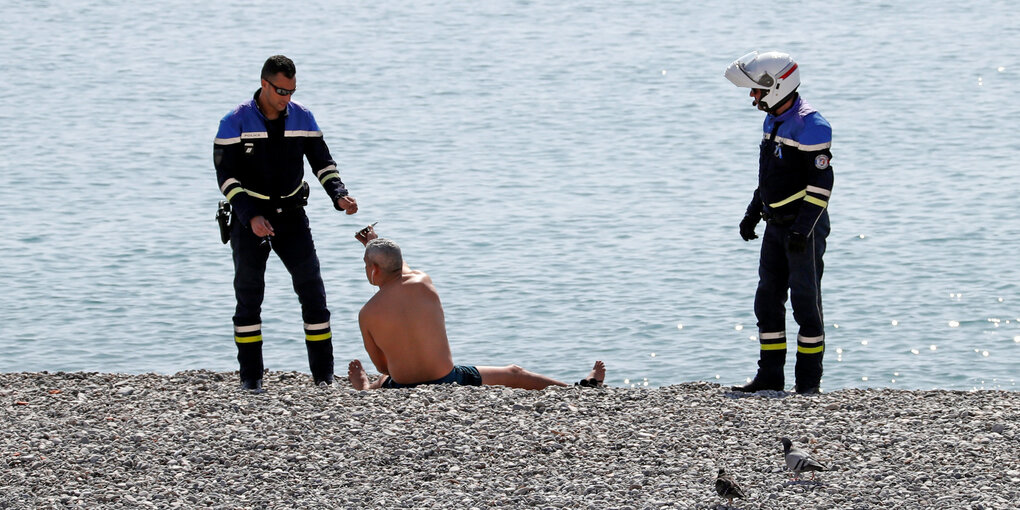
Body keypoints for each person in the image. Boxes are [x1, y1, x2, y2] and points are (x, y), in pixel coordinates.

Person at [213, 55, 359, 392]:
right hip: (250, 220)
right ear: (264, 84)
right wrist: (250, 215)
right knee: (249, 298)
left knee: (314, 293)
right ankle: (251, 381)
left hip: (293, 217)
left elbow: (323, 163)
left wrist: (340, 195)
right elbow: (226, 178)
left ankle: (323, 379)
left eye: (291, 91)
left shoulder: (303, 117)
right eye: (281, 90)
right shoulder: (234, 121)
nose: (286, 98)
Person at [347, 225, 605, 390]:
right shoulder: (423, 282)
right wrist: (374, 243)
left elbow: (384, 367)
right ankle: (577, 391)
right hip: (448, 380)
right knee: (514, 372)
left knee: (382, 380)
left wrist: (371, 246)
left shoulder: (367, 314)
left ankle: (367, 390)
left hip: (401, 386)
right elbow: (401, 269)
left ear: (373, 270)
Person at [724, 51, 833, 394]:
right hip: (775, 224)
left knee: (805, 303)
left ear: (776, 86)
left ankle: (808, 383)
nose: (752, 96)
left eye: (757, 90)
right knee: (767, 300)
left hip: (803, 226)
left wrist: (803, 228)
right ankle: (770, 375)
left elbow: (822, 185)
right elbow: (770, 175)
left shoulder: (812, 125)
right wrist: (753, 210)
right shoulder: (772, 120)